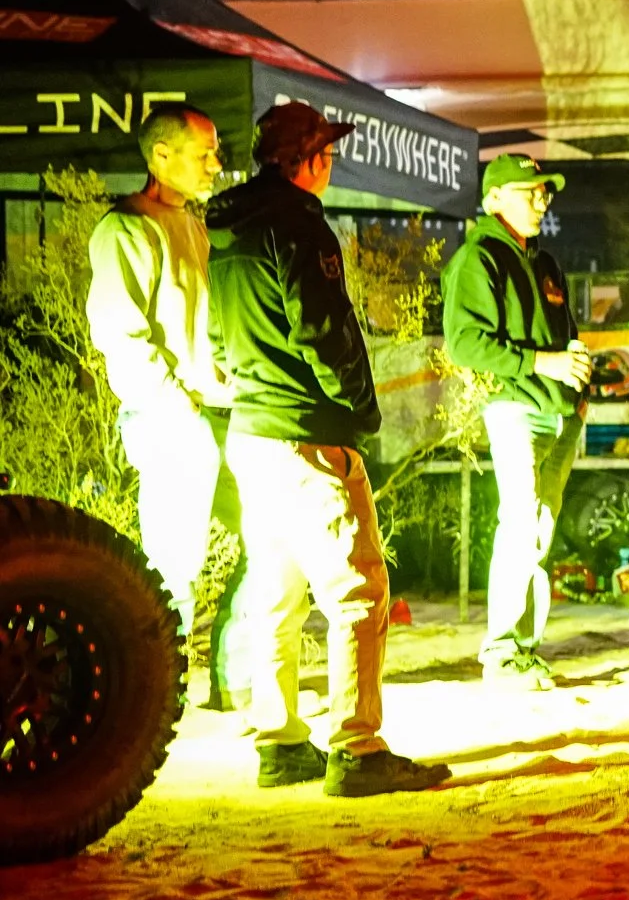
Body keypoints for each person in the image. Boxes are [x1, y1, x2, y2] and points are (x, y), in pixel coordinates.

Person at [207, 101, 449, 796]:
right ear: (307, 161)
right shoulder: (298, 224)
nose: (332, 163)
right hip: (308, 434)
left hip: (251, 433)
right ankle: (358, 748)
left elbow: (221, 339)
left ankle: (279, 741)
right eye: (327, 153)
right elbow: (322, 328)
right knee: (358, 591)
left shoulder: (225, 228)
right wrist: (359, 409)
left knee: (274, 595)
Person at [86, 105, 252, 706]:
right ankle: (157, 695)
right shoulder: (126, 229)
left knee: (270, 535)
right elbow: (120, 333)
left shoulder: (191, 223)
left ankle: (232, 676)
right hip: (171, 417)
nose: (216, 163)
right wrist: (176, 401)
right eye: (203, 152)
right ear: (162, 155)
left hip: (214, 411)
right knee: (172, 568)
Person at [441, 154, 590, 691]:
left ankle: (523, 650)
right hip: (514, 408)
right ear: (494, 199)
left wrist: (579, 390)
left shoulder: (543, 262)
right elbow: (464, 343)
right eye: (529, 191)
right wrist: (541, 364)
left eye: (545, 191)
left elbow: (565, 336)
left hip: (557, 413)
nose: (541, 199)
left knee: (538, 531)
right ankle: (501, 653)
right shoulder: (477, 260)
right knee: (521, 523)